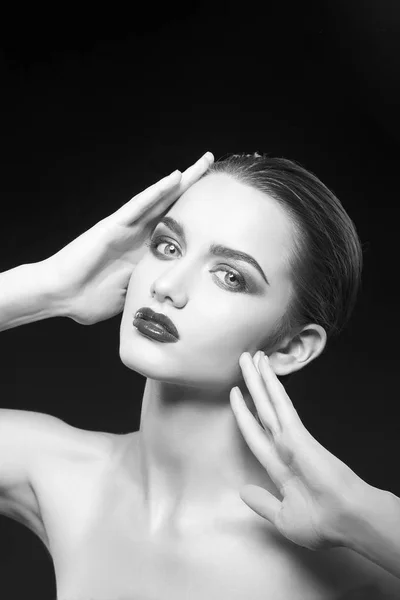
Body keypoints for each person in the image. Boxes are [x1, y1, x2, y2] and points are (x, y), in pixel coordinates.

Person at [0, 150, 399, 599]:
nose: (167, 286)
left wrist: (368, 516)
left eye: (229, 276)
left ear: (290, 348)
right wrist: (46, 288)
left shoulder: (346, 558)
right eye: (167, 247)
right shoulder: (59, 476)